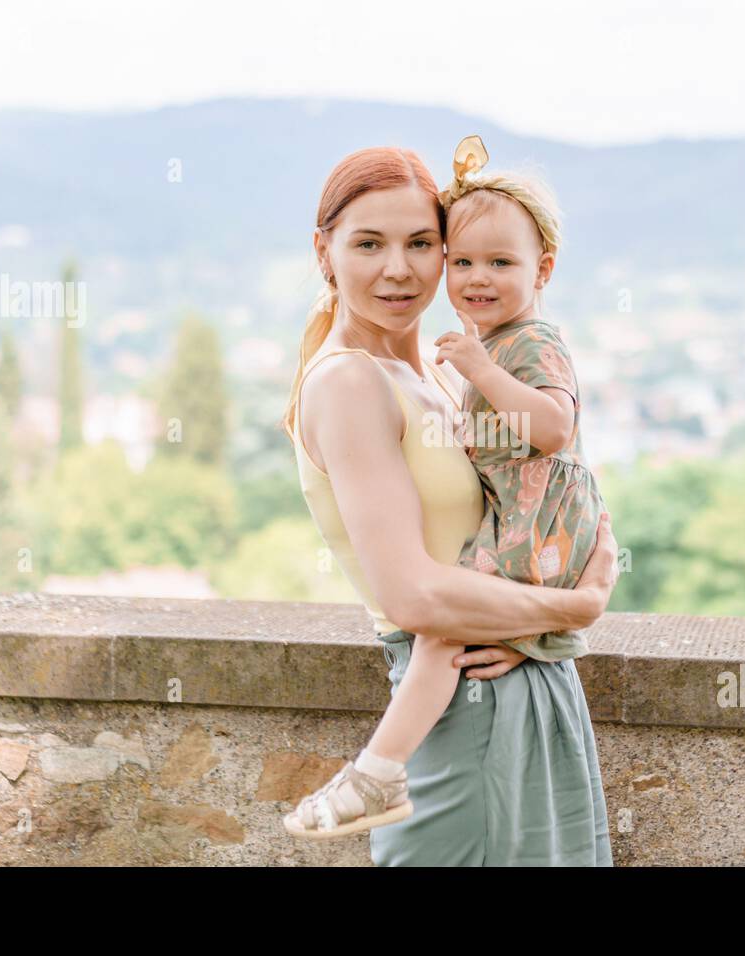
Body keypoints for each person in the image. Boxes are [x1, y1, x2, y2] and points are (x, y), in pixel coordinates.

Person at [279, 142, 618, 865]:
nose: (398, 268)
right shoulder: (348, 384)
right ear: (325, 252)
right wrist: (573, 610)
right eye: (368, 243)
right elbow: (415, 596)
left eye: (421, 243)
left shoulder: (440, 369)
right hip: (463, 704)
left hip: (524, 684)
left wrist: (586, 556)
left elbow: (541, 472)